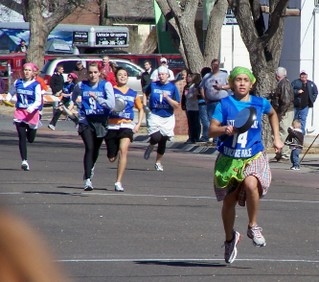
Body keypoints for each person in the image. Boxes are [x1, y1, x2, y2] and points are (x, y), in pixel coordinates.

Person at [209, 66, 283, 264]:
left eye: (245, 80)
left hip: (253, 155)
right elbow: (211, 130)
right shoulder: (224, 104)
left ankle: (253, 225)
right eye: (238, 79)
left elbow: (273, 114)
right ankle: (229, 239)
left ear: (251, 83)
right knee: (228, 203)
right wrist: (224, 129)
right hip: (229, 159)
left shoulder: (260, 103)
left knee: (252, 184)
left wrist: (277, 138)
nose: (242, 83)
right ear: (232, 83)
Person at [72, 62, 115, 191]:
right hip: (86, 121)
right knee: (89, 148)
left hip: (100, 121)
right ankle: (88, 179)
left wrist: (98, 99)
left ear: (100, 73)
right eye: (90, 72)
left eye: (95, 72)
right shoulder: (81, 85)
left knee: (95, 149)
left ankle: (91, 168)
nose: (92, 75)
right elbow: (74, 95)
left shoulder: (105, 85)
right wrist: (74, 103)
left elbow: (111, 104)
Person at [104, 67, 144, 192]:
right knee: (111, 158)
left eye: (125, 75)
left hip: (126, 125)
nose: (122, 77)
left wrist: (138, 124)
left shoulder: (133, 93)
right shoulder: (111, 91)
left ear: (128, 77)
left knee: (124, 150)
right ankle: (112, 153)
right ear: (116, 77)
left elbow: (141, 108)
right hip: (112, 125)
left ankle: (118, 182)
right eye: (120, 75)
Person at [4, 63, 42, 171]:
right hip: (20, 112)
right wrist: (8, 97)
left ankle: (33, 129)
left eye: (29, 70)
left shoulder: (36, 85)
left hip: (32, 114)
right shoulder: (18, 82)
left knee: (30, 139)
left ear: (33, 72)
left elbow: (38, 101)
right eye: (25, 70)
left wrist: (32, 107)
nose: (27, 72)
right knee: (21, 136)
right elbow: (11, 92)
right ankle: (24, 161)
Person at [143, 66, 180, 171]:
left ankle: (158, 162)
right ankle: (151, 144)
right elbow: (145, 93)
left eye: (163, 74)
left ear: (167, 75)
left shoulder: (172, 87)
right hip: (154, 114)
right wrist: (145, 105)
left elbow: (177, 105)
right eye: (159, 74)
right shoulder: (154, 85)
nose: (161, 76)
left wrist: (167, 97)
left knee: (163, 140)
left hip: (167, 116)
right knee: (156, 137)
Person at [200, 59, 230, 144]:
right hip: (211, 102)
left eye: (217, 64)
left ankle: (222, 139)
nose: (215, 66)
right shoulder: (207, 76)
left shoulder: (224, 75)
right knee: (212, 120)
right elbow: (202, 87)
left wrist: (222, 87)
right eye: (213, 65)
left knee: (222, 120)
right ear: (211, 66)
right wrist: (205, 98)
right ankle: (215, 139)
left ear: (219, 65)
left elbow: (231, 85)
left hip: (222, 101)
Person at [270, 67, 294, 161]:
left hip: (286, 111)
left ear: (277, 75)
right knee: (278, 132)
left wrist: (281, 113)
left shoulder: (284, 84)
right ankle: (279, 153)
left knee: (284, 132)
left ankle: (284, 154)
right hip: (282, 111)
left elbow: (286, 100)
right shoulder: (281, 83)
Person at [291, 71, 318, 135]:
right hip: (296, 105)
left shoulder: (311, 83)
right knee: (294, 119)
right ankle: (293, 134)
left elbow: (315, 92)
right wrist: (297, 91)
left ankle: (301, 135)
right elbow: (290, 91)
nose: (303, 77)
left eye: (305, 75)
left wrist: (312, 100)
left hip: (305, 106)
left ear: (307, 76)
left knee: (303, 120)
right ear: (300, 76)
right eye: (302, 75)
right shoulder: (295, 82)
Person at [185, 73, 201, 143]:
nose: (189, 78)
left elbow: (194, 95)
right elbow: (186, 96)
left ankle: (195, 137)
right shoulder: (189, 86)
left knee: (195, 123)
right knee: (191, 123)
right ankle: (191, 137)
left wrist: (190, 95)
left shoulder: (196, 86)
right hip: (189, 107)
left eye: (191, 77)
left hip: (195, 107)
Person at [198, 67, 211, 142]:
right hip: (208, 102)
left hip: (203, 102)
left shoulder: (203, 81)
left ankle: (206, 136)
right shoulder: (211, 81)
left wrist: (205, 99)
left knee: (205, 120)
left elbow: (201, 90)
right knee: (209, 120)